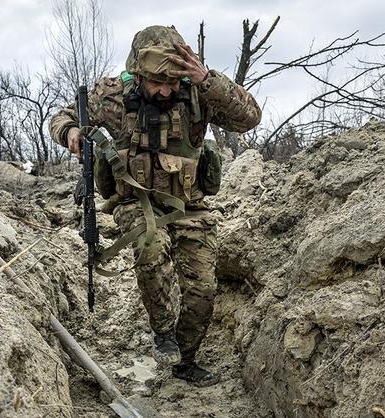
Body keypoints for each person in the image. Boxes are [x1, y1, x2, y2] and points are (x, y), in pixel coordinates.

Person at [49, 25, 261, 387]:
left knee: (203, 288)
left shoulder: (198, 91)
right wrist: (69, 132)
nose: (165, 91)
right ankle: (162, 330)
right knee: (151, 244)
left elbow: (249, 117)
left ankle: (186, 357)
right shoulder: (112, 96)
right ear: (139, 73)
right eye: (156, 83)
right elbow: (60, 118)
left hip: (189, 206)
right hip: (135, 200)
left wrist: (208, 79)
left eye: (172, 82)